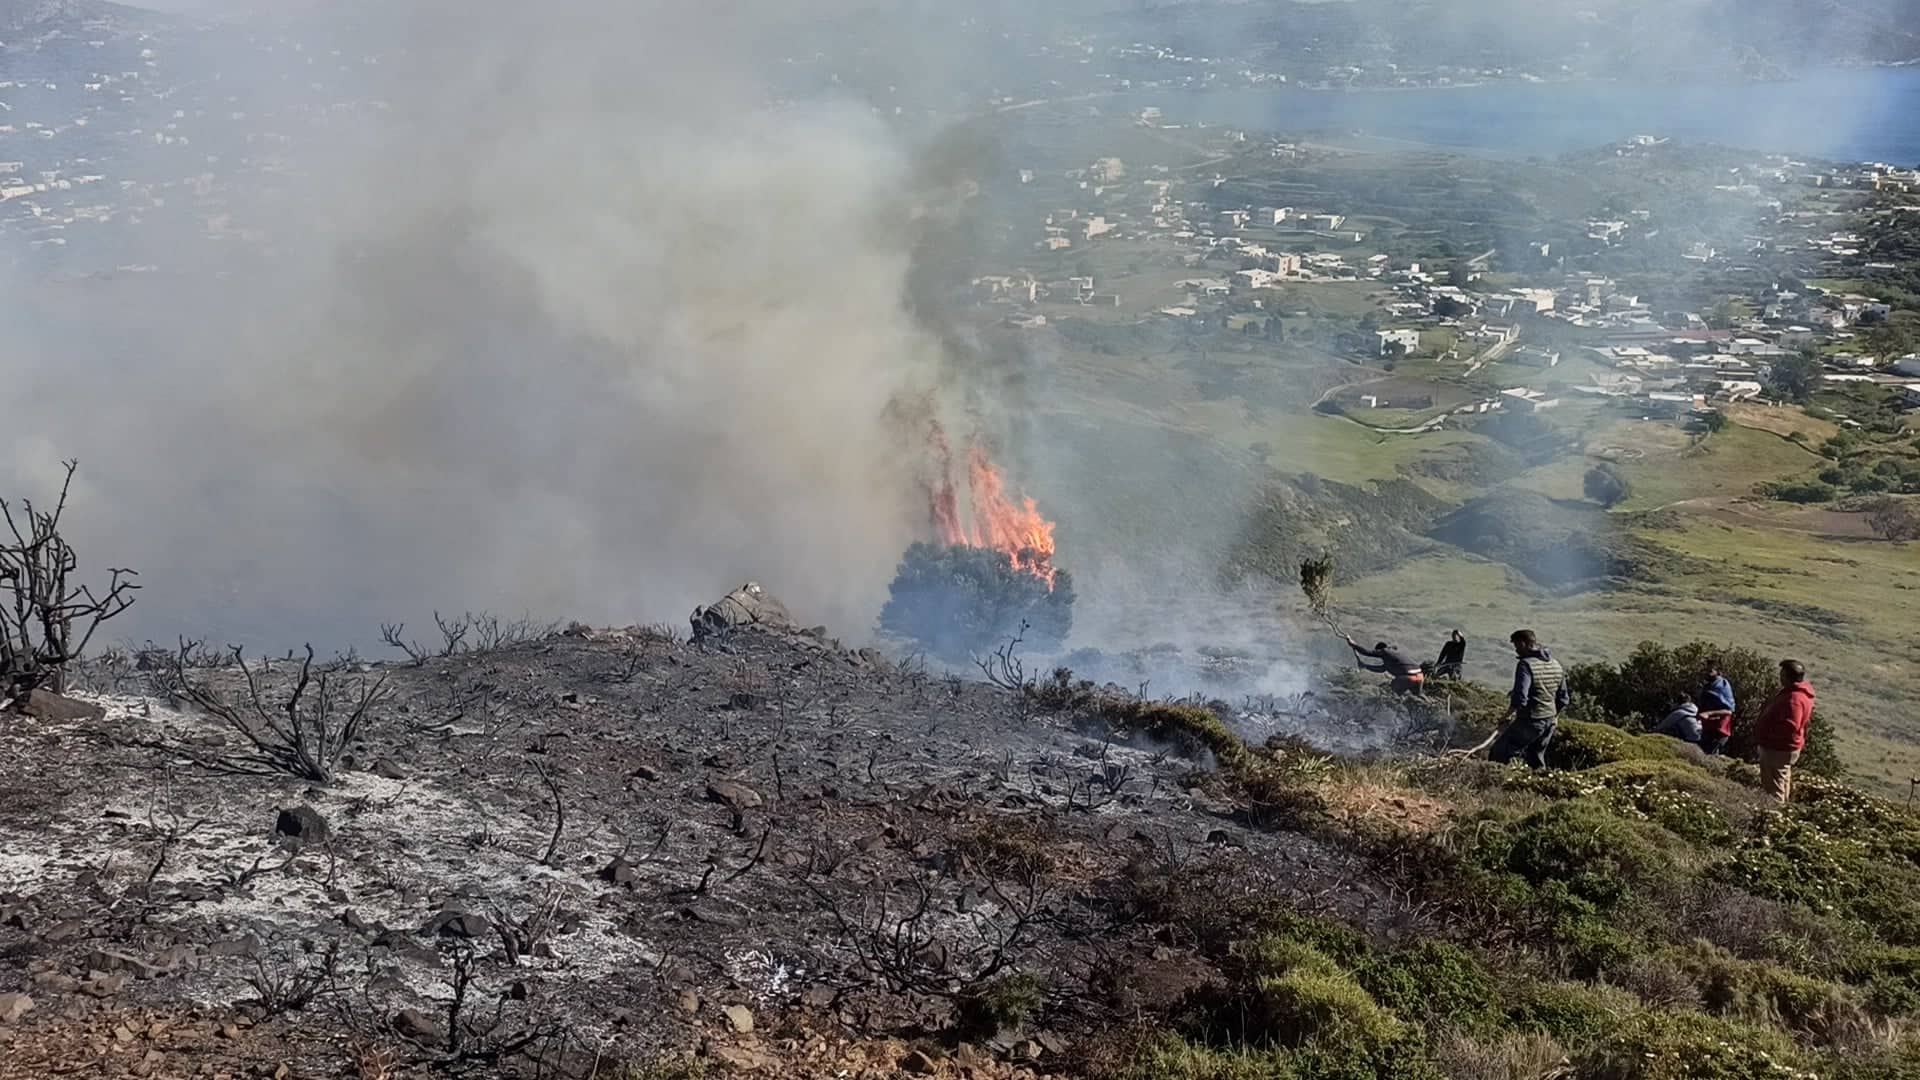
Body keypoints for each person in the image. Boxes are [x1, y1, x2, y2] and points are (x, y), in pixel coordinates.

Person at [1454, 629, 1569, 769]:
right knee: (1536, 758)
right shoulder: (1556, 664)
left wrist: (1505, 717)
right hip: (1550, 722)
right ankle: (1537, 786)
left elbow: (1520, 699)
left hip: (1531, 720)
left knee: (1499, 753)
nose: (1516, 651)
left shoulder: (1525, 665)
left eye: (1516, 646)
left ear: (1523, 643)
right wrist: (1554, 717)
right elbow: (1563, 699)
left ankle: (1494, 785)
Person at [1754, 659, 1816, 803]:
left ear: (1787, 676)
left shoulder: (1793, 699)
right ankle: (1781, 809)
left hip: (1778, 749)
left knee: (1774, 787)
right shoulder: (1800, 694)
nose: (1780, 677)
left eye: (1782, 674)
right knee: (1782, 780)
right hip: (1785, 748)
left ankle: (1773, 814)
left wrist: (1768, 739)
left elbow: (1790, 726)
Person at [1345, 637, 1425, 695]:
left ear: (1378, 650)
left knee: (1391, 694)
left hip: (1407, 677)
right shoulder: (1394, 657)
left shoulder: (1384, 651)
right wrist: (1365, 666)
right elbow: (1381, 669)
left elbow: (1366, 652)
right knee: (1418, 696)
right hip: (1420, 676)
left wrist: (1353, 644)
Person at [1698, 661, 1737, 756]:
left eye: (1710, 671)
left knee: (1709, 756)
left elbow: (1729, 710)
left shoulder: (1722, 686)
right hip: (1708, 729)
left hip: (1719, 730)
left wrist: (1709, 713)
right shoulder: (1709, 686)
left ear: (1718, 672)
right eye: (1706, 670)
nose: (1707, 673)